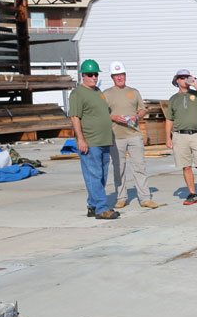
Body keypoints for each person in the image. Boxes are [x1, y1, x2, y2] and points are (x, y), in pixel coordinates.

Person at [103, 61, 159, 209]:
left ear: (125, 75)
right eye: (116, 75)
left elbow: (142, 110)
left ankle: (145, 198)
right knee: (118, 168)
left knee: (139, 167)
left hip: (134, 135)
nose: (119, 77)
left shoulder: (134, 92)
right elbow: (101, 114)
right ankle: (121, 197)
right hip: (116, 136)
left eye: (121, 74)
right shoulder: (106, 94)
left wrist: (137, 116)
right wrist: (114, 118)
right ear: (112, 77)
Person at [68, 59, 118, 220]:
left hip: (103, 140)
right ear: (83, 76)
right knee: (94, 175)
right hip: (90, 140)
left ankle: (93, 205)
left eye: (96, 74)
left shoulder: (97, 92)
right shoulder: (78, 93)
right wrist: (81, 139)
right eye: (90, 75)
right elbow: (75, 117)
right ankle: (102, 208)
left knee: (101, 175)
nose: (94, 78)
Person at [165, 68, 197, 205]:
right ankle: (192, 194)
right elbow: (169, 119)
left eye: (187, 77)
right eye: (181, 77)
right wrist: (168, 137)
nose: (184, 79)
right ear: (176, 81)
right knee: (186, 166)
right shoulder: (173, 99)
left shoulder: (196, 94)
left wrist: (196, 85)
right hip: (180, 136)